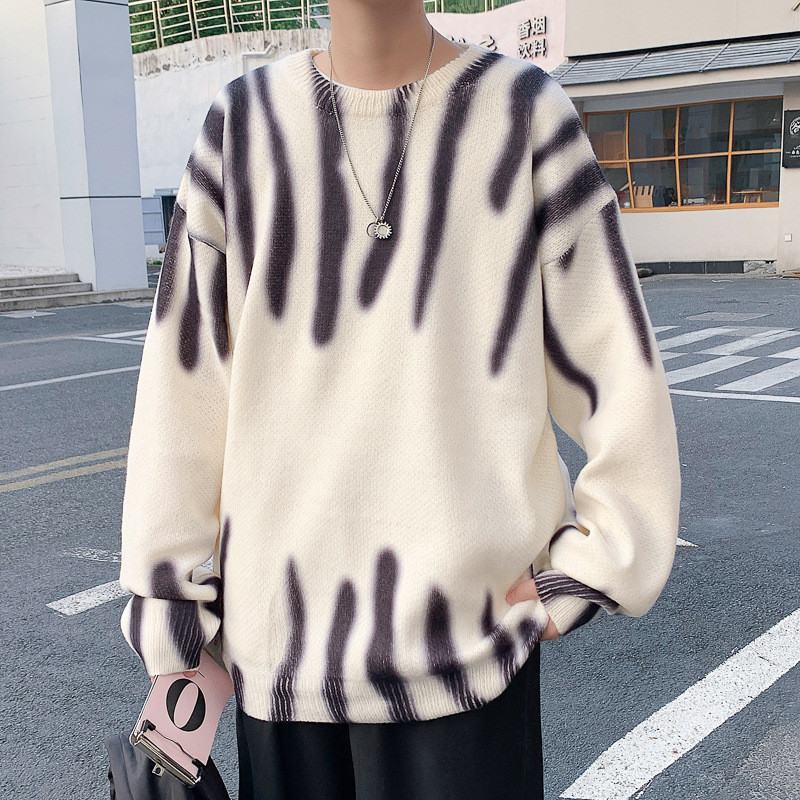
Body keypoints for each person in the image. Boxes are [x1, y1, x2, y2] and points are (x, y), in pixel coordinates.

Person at [117, 2, 682, 797]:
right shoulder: (243, 127)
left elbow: (616, 360)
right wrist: (170, 590)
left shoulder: (522, 115)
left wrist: (603, 559)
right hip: (283, 655)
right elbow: (185, 381)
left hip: (469, 650)